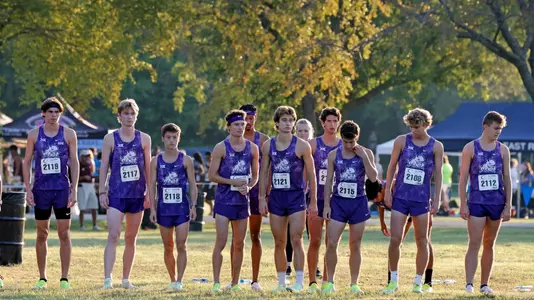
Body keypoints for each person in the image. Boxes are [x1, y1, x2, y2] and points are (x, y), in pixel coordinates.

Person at [381, 108, 443, 294]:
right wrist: (388, 192)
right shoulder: (401, 141)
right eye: (411, 126)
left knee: (422, 240)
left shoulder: (436, 146)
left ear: (426, 124)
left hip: (421, 199)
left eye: (417, 126)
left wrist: (437, 197)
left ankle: (418, 282)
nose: (414, 130)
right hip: (400, 196)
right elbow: (392, 166)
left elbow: (438, 174)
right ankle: (393, 281)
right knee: (395, 239)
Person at [258, 106, 318, 293]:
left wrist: (313, 201)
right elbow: (264, 173)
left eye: (290, 120)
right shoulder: (268, 145)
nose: (288, 124)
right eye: (284, 120)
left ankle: (299, 282)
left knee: (297, 238)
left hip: (296, 197)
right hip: (276, 197)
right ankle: (281, 282)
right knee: (279, 241)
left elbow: (312, 174)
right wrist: (261, 198)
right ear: (276, 123)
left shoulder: (302, 145)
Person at [22, 97, 79, 289]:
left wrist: (74, 189)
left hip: (62, 190)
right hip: (41, 190)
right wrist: (28, 189)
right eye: (50, 112)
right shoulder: (33, 135)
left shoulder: (69, 134)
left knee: (64, 233)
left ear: (60, 114)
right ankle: (42, 278)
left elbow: (74, 161)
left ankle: (64, 278)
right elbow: (26, 162)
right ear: (43, 114)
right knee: (41, 233)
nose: (54, 116)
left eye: (57, 112)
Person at [98, 99, 152, 289]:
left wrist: (149, 194)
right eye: (126, 114)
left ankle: (126, 279)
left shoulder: (144, 139)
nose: (129, 117)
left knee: (131, 238)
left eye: (132, 114)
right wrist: (102, 191)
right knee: (113, 235)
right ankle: (107, 279)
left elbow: (148, 168)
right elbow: (104, 166)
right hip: (116, 194)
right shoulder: (110, 139)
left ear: (136, 116)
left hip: (137, 194)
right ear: (119, 116)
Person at [322, 120, 378, 294]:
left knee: (355, 244)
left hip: (358, 203)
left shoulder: (366, 153)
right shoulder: (333, 155)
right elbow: (328, 181)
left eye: (351, 142)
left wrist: (364, 157)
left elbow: (373, 177)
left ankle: (354, 283)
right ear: (341, 138)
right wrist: (326, 205)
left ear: (357, 138)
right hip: (338, 203)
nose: (348, 145)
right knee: (331, 243)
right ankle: (329, 282)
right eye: (345, 142)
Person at [459, 111, 511, 296]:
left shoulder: (503, 150)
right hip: (477, 202)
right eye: (496, 128)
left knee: (489, 243)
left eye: (501, 129)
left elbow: (507, 178)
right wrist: (463, 204)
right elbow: (463, 177)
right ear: (486, 126)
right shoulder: (470, 148)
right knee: (474, 243)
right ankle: (469, 284)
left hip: (497, 202)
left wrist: (508, 205)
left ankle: (484, 284)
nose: (498, 132)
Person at [209, 109, 259, 292]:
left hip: (241, 202)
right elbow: (212, 175)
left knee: (239, 243)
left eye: (243, 123)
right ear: (228, 127)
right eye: (236, 124)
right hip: (223, 201)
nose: (240, 127)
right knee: (221, 242)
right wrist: (232, 181)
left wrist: (250, 186)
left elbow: (255, 176)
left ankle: (235, 283)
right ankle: (216, 282)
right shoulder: (221, 147)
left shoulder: (252, 148)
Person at [149, 123, 197, 291]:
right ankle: (172, 278)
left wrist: (194, 205)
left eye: (174, 137)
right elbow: (152, 186)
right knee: (168, 245)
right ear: (163, 139)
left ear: (179, 138)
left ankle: (180, 281)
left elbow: (192, 184)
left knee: (181, 245)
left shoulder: (186, 160)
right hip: (163, 209)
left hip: (182, 209)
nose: (171, 140)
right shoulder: (156, 161)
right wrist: (153, 209)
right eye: (168, 137)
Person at [374, 178, 437, 292]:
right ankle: (391, 282)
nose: (375, 200)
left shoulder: (393, 188)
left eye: (376, 197)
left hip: (419, 203)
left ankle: (428, 282)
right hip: (404, 208)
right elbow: (380, 204)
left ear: (382, 190)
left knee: (425, 241)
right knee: (395, 243)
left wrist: (402, 233)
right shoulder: (378, 193)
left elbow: (408, 217)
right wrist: (382, 222)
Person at [307, 107, 342, 292]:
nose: (332, 124)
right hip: (316, 198)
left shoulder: (344, 145)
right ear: (322, 123)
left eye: (335, 121)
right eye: (328, 121)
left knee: (332, 242)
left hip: (337, 200)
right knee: (315, 240)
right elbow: (305, 173)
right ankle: (312, 282)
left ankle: (328, 281)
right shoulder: (313, 145)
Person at [237, 104, 269, 291]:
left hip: (257, 193)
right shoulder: (232, 139)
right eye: (244, 119)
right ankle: (235, 279)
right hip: (237, 193)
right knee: (237, 239)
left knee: (255, 236)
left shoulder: (264, 140)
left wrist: (266, 193)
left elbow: (269, 169)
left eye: (251, 118)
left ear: (256, 118)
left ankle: (255, 280)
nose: (248, 122)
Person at [286, 118, 315, 277]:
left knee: (312, 232)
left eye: (306, 131)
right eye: (300, 131)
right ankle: (289, 263)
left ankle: (314, 264)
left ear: (310, 133)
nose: (303, 134)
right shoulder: (291, 147)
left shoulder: (315, 149)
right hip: (294, 194)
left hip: (310, 194)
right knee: (292, 232)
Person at [77, 149, 100, 231]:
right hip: (82, 186)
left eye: (88, 156)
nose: (87, 158)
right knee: (82, 207)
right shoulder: (78, 164)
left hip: (91, 185)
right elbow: (74, 178)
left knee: (94, 205)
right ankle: (81, 225)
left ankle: (94, 225)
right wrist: (83, 177)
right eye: (85, 156)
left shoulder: (92, 163)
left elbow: (92, 174)